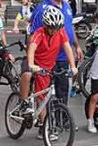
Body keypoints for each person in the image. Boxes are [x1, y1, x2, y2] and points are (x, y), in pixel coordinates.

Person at [20, 7, 78, 135]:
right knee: (27, 74)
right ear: (45, 25)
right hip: (35, 62)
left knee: (43, 97)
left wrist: (73, 66)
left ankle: (44, 125)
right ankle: (23, 102)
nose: (54, 31)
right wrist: (31, 64)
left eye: (57, 28)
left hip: (47, 67)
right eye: (52, 28)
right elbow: (32, 49)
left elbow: (68, 49)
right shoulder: (39, 33)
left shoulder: (60, 32)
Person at [28, 0, 83, 104]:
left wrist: (77, 46)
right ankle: (44, 120)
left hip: (63, 58)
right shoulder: (42, 9)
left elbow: (70, 27)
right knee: (44, 94)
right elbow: (33, 37)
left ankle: (62, 122)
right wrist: (32, 62)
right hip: (47, 59)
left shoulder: (67, 5)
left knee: (62, 92)